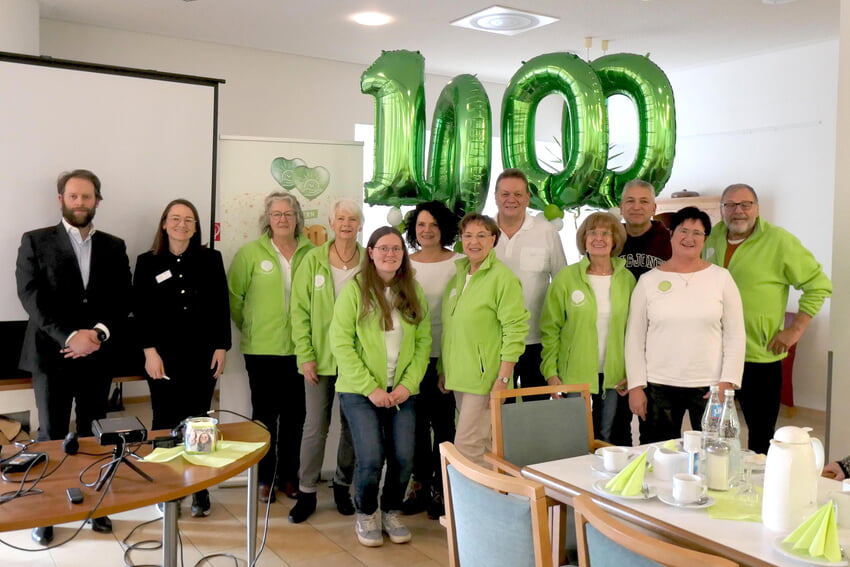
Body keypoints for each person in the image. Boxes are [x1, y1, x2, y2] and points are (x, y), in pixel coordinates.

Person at [16, 169, 132, 545]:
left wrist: (96, 334)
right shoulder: (34, 241)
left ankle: (94, 508)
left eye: (87, 197)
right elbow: (30, 297)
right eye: (73, 196)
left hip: (97, 355)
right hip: (51, 356)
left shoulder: (114, 246)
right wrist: (69, 337)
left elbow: (121, 298)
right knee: (50, 436)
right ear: (61, 199)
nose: (80, 203)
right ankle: (47, 513)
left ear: (98, 200)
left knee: (94, 435)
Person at [704, 183, 832, 454]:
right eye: (731, 205)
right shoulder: (710, 236)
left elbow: (818, 284)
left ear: (757, 208)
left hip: (759, 358)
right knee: (713, 433)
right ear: (722, 209)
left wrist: (795, 330)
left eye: (745, 204)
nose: (738, 211)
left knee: (761, 436)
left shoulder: (779, 241)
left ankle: (759, 492)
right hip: (714, 357)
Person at [330, 226, 431, 547]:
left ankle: (391, 511)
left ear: (403, 255)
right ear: (370, 252)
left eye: (396, 249)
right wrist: (371, 388)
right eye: (383, 248)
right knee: (371, 457)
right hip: (360, 391)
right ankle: (367, 512)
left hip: (403, 391)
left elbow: (423, 345)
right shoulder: (355, 290)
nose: (390, 254)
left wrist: (407, 385)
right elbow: (341, 343)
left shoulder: (413, 291)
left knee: (404, 457)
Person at [133, 198, 231, 518]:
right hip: (161, 356)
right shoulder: (147, 262)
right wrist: (149, 351)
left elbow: (220, 305)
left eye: (189, 220)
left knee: (199, 420)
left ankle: (199, 489)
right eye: (175, 219)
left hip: (202, 354)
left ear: (196, 227)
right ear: (164, 224)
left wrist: (221, 347)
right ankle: (165, 487)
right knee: (163, 420)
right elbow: (141, 312)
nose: (182, 225)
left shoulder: (210, 258)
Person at [626, 207, 745, 443]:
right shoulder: (648, 281)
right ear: (671, 234)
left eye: (697, 233)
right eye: (683, 231)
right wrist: (636, 386)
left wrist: (727, 381)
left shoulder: (721, 278)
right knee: (657, 453)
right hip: (657, 385)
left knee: (714, 452)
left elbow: (735, 335)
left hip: (710, 388)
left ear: (705, 239)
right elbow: (634, 338)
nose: (689, 238)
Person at [227, 191, 314, 503]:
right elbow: (234, 298)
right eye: (276, 214)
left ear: (297, 219)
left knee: (296, 416)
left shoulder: (312, 253)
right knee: (265, 416)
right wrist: (250, 325)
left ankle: (290, 477)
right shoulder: (250, 253)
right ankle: (266, 477)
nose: (282, 219)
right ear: (267, 219)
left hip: (302, 350)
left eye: (288, 214)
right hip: (261, 349)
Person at [289, 198, 362, 523]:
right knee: (315, 426)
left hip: (356, 362)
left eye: (352, 218)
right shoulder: (313, 260)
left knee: (352, 428)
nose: (346, 223)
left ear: (359, 224)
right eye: (341, 218)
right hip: (318, 359)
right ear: (331, 224)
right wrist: (305, 356)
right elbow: (299, 312)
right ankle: (306, 492)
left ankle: (342, 486)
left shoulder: (368, 261)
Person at [442, 213, 529, 467]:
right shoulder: (459, 275)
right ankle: (494, 501)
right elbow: (452, 328)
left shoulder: (503, 278)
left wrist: (503, 378)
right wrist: (444, 369)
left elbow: (515, 330)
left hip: (486, 379)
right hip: (460, 375)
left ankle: (472, 506)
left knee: (467, 447)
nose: (474, 242)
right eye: (468, 235)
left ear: (493, 239)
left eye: (481, 235)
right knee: (485, 446)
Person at [540, 212, 636, 445]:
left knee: (605, 438)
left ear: (615, 240)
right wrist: (551, 372)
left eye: (606, 233)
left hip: (615, 374)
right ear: (584, 239)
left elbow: (635, 331)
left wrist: (632, 372)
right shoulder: (567, 278)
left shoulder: (627, 279)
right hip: (574, 373)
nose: (598, 238)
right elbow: (550, 329)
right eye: (592, 233)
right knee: (574, 437)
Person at [401, 201, 462, 518]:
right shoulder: (404, 264)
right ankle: (420, 484)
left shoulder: (461, 263)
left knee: (443, 426)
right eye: (421, 225)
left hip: (448, 356)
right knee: (415, 426)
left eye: (434, 225)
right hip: (412, 358)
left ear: (445, 229)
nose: (426, 231)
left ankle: (443, 487)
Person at [493, 169, 566, 401]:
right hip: (494, 341)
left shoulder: (546, 232)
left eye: (517, 194)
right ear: (495, 196)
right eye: (505, 194)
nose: (510, 199)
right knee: (498, 413)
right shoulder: (482, 232)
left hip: (537, 340)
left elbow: (561, 283)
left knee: (537, 413)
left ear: (527, 197)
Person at [618, 179, 671, 279]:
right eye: (630, 201)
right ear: (621, 207)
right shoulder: (609, 240)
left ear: (654, 209)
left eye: (644, 201)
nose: (636, 207)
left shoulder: (672, 242)